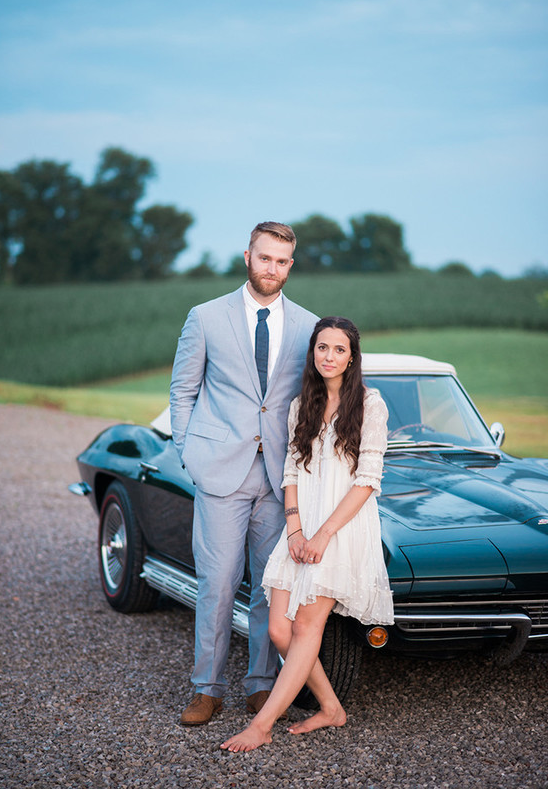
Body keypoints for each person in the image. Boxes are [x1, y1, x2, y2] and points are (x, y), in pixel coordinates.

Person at [220, 316, 394, 752]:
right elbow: (291, 470)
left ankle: (261, 725)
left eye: (338, 349)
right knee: (280, 630)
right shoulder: (302, 404)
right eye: (322, 348)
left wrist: (324, 535)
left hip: (342, 527)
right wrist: (296, 529)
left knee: (305, 626)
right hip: (301, 525)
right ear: (313, 353)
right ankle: (332, 708)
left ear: (352, 356)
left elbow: (368, 479)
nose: (329, 356)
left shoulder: (371, 404)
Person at [170, 221, 318, 727]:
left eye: (281, 261)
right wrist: (189, 451)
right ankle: (206, 688)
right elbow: (182, 392)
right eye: (264, 258)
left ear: (290, 266)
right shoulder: (206, 317)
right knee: (216, 582)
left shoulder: (307, 325)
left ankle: (260, 684)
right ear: (248, 257)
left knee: (269, 587)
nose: (271, 269)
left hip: (281, 480)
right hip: (219, 471)